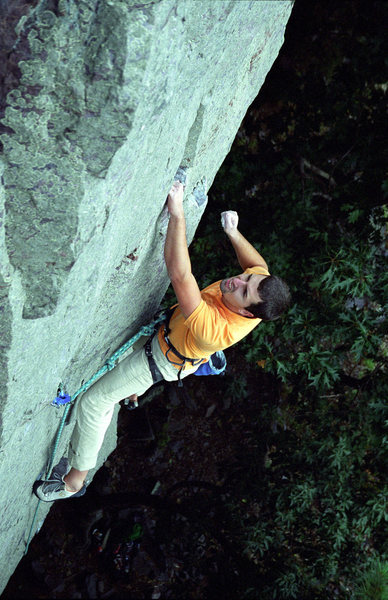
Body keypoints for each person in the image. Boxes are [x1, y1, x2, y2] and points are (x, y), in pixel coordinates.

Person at [34, 181, 291, 502]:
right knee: (106, 392)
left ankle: (74, 482)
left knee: (94, 402)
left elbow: (180, 275)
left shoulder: (216, 329)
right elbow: (258, 266)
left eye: (242, 290)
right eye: (247, 279)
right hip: (167, 335)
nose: (238, 281)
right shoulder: (257, 286)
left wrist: (177, 213)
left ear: (248, 314)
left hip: (159, 359)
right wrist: (233, 232)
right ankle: (122, 402)